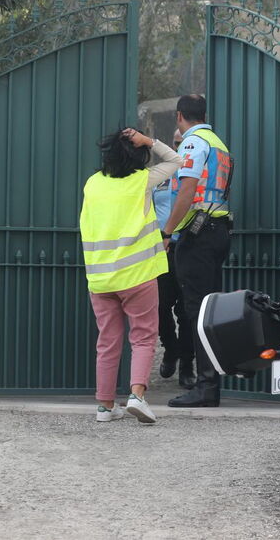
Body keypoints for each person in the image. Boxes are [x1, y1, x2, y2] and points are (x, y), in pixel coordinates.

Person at [79, 127, 184, 423]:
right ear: (139, 157)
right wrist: (150, 140)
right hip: (137, 275)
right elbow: (178, 162)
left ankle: (105, 406)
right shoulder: (142, 181)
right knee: (143, 337)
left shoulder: (93, 184)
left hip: (100, 277)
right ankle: (137, 396)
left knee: (108, 340)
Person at [163, 95, 233, 408]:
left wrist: (167, 232)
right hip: (215, 229)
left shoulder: (192, 143)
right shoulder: (217, 141)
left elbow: (188, 189)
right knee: (206, 309)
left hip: (198, 233)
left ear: (180, 116)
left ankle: (206, 387)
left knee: (196, 310)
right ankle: (208, 383)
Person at [151, 129, 195, 389]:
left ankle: (188, 364)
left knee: (187, 310)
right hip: (160, 247)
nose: (180, 148)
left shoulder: (194, 172)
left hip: (187, 243)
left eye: (183, 143)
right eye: (176, 143)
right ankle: (171, 349)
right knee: (159, 305)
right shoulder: (162, 175)